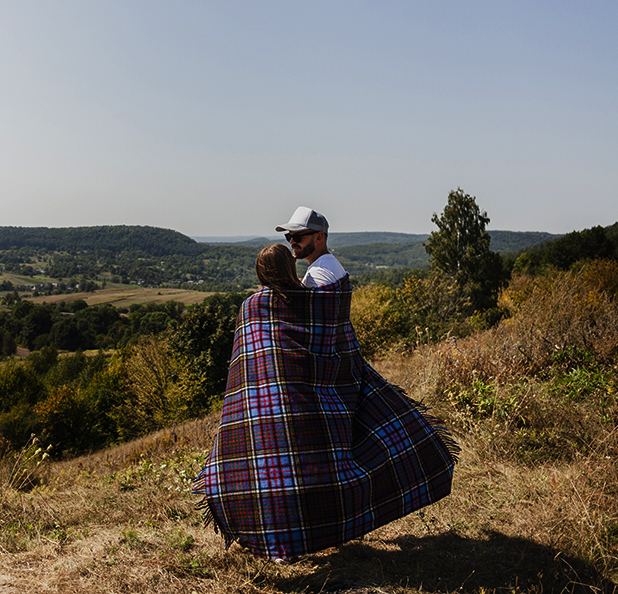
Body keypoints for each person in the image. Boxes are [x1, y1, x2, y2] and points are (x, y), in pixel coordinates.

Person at [194, 239, 457, 562]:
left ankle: (277, 543)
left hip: (267, 408)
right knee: (318, 473)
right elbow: (339, 339)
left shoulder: (252, 307)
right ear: (289, 268)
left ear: (261, 274)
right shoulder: (314, 301)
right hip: (313, 404)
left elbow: (246, 365)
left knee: (273, 476)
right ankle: (326, 529)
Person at [276, 206, 346, 287]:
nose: (291, 242)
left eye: (297, 237)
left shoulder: (318, 275)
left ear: (319, 237)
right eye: (289, 237)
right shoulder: (329, 264)